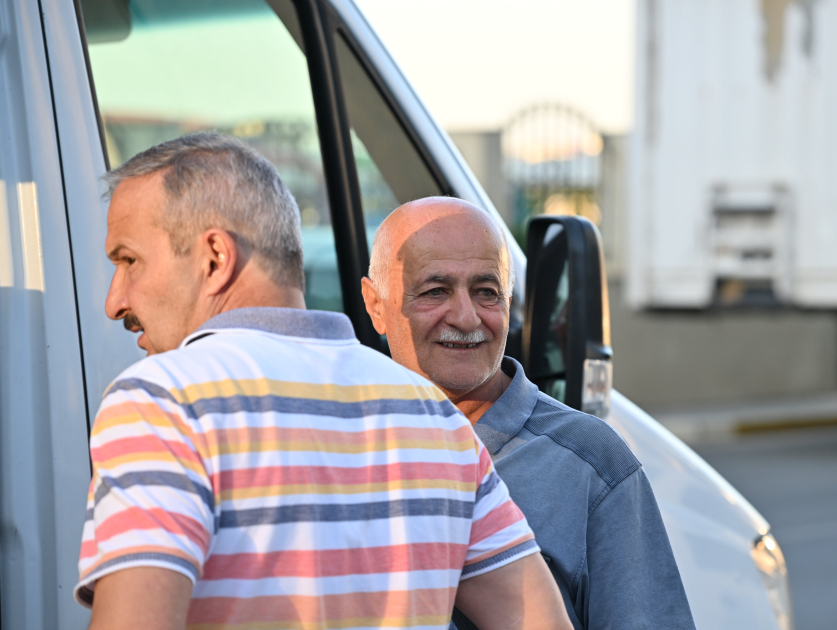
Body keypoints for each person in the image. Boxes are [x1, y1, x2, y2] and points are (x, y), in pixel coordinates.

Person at [76, 133, 573, 630]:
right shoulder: (435, 416)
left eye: (128, 261)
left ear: (214, 258)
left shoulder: (160, 401)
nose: (115, 300)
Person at [361, 197, 697, 630]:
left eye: (486, 292)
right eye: (435, 291)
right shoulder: (338, 447)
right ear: (375, 305)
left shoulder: (589, 463)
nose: (466, 318)